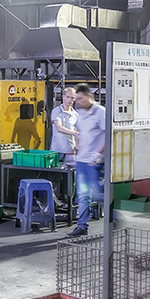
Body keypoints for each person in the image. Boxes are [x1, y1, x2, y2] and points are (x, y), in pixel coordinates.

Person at [65, 83, 105, 238]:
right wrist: (77, 147)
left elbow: (107, 134)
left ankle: (114, 218)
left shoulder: (100, 112)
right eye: (77, 99)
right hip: (82, 162)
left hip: (95, 162)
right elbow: (80, 133)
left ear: (90, 96)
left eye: (81, 98)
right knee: (83, 194)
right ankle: (82, 226)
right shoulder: (80, 114)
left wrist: (98, 153)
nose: (78, 102)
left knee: (98, 194)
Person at [49, 87, 79, 164]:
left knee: (70, 170)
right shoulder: (56, 111)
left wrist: (77, 147)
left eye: (72, 97)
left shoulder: (75, 114)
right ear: (63, 97)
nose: (70, 100)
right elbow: (59, 128)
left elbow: (77, 132)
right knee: (56, 170)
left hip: (70, 151)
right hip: (57, 150)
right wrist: (74, 133)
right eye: (68, 97)